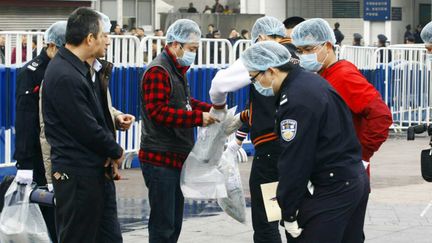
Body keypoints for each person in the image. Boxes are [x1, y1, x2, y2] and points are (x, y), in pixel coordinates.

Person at [240, 40, 369, 243]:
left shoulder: (295, 100)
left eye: (254, 79)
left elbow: (295, 161)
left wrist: (288, 211)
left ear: (271, 71)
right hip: (351, 179)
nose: (256, 85)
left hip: (331, 188)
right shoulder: (311, 82)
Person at [42, 8, 124, 243]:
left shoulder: (82, 70)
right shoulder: (65, 75)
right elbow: (86, 128)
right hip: (77, 175)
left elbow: (96, 117)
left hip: (94, 170)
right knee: (79, 237)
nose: (107, 41)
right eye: (103, 35)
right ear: (90, 39)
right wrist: (115, 151)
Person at [223, 16, 301, 243]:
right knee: (292, 219)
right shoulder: (296, 59)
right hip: (294, 149)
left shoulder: (265, 58)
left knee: (267, 220)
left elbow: (221, 85)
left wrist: (220, 109)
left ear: (262, 37)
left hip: (269, 151)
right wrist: (240, 132)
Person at [139, 19, 218, 243]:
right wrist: (197, 118)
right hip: (159, 158)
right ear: (176, 44)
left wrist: (211, 110)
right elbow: (158, 112)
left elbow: (183, 101)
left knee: (173, 223)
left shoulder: (176, 70)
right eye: (192, 49)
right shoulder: (158, 70)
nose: (193, 54)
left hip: (174, 157)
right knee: (163, 226)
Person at [291, 18, 392, 178]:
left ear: (328, 46)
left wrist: (361, 155)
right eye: (300, 51)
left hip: (344, 175)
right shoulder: (324, 75)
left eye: (308, 49)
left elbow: (381, 115)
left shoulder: (344, 76)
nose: (304, 55)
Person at [14, 20, 67, 243]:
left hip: (59, 151)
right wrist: (24, 163)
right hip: (37, 153)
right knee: (46, 214)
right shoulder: (32, 73)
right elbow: (26, 121)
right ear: (53, 46)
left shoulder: (65, 69)